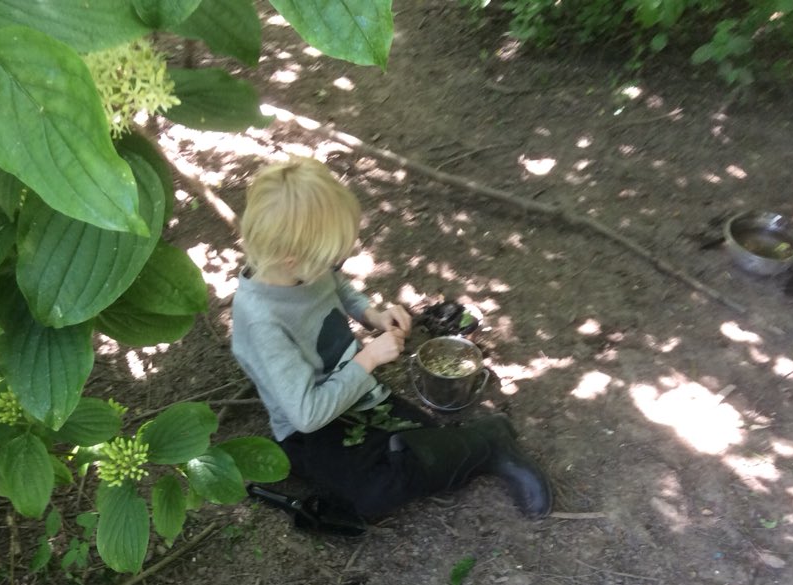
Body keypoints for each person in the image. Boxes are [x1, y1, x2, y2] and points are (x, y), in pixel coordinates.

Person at [230, 157, 552, 530]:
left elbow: (336, 285)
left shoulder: (302, 267)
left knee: (422, 437)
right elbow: (306, 413)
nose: (338, 264)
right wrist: (368, 359)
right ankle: (489, 442)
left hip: (358, 395)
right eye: (331, 258)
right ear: (291, 259)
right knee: (376, 492)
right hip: (309, 427)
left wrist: (372, 315)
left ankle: (467, 447)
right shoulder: (260, 322)